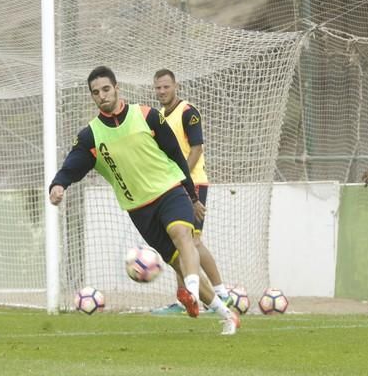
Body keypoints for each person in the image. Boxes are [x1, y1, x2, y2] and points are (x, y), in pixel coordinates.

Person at [49, 66, 240, 335]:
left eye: (106, 89)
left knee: (181, 234)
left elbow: (175, 154)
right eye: (96, 92)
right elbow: (73, 166)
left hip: (169, 190)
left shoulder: (147, 115)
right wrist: (58, 185)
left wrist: (191, 194)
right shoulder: (90, 135)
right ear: (92, 97)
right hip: (139, 209)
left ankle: (192, 291)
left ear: (117, 88)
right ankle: (227, 315)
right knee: (176, 261)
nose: (102, 95)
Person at [152, 68, 232, 315]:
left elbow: (196, 150)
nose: (162, 91)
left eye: (166, 86)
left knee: (193, 241)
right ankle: (185, 299)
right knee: (181, 243)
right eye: (158, 87)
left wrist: (181, 180)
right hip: (174, 185)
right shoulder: (159, 116)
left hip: (192, 183)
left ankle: (220, 292)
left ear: (175, 86)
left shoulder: (188, 112)